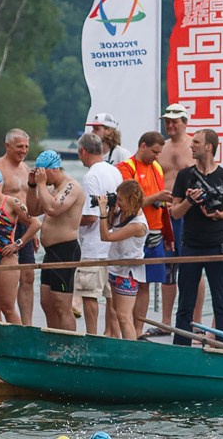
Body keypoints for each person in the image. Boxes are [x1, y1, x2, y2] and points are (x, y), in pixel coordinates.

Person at [165, 129, 223, 344]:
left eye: (196, 142)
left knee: (222, 300)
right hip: (191, 244)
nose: (191, 145)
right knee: (186, 301)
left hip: (217, 244)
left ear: (209, 146)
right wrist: (189, 202)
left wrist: (220, 214)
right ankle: (181, 347)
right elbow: (175, 212)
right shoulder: (185, 175)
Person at [120, 131, 173, 324]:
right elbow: (128, 204)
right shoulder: (127, 167)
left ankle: (138, 330)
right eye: (154, 152)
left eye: (159, 153)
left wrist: (169, 236)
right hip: (134, 233)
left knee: (146, 284)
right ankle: (125, 329)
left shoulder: (157, 167)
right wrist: (156, 198)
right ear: (143, 146)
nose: (156, 156)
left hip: (155, 233)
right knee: (128, 282)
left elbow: (158, 201)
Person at [30, 152, 87, 330]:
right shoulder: (52, 188)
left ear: (54, 169)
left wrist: (40, 184)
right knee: (47, 302)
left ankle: (67, 348)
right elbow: (33, 210)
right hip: (51, 252)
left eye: (43, 173)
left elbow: (54, 208)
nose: (42, 177)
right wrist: (33, 186)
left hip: (65, 250)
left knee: (62, 305)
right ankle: (54, 342)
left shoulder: (72, 186)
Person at [0, 167, 40, 325]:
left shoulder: (11, 202)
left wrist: (17, 244)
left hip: (7, 256)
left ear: (2, 183)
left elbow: (35, 223)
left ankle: (20, 345)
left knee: (7, 306)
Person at [74, 133, 120, 333]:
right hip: (113, 243)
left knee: (89, 293)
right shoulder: (115, 171)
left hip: (94, 245)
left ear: (83, 151)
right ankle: (110, 332)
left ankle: (92, 334)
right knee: (111, 295)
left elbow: (91, 216)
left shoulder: (90, 176)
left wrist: (70, 221)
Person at [0, 130, 40, 321]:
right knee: (3, 278)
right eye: (20, 146)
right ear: (8, 146)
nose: (24, 151)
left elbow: (28, 201)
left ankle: (26, 324)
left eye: (26, 147)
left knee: (28, 276)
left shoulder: (26, 169)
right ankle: (2, 320)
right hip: (4, 227)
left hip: (25, 227)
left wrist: (32, 231)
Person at [98, 179, 149, 339]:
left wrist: (103, 212)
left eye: (120, 199)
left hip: (129, 272)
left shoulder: (137, 225)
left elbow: (106, 236)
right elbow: (111, 225)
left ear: (130, 200)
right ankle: (119, 342)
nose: (117, 202)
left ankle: (132, 352)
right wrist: (112, 209)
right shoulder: (123, 212)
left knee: (124, 316)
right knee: (114, 309)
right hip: (116, 267)